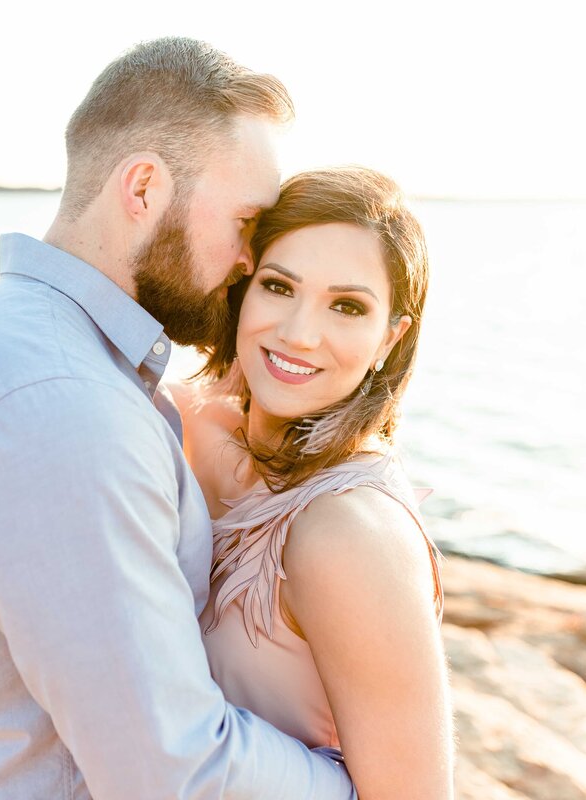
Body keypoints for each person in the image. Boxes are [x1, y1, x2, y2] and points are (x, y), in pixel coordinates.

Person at [0, 38, 357, 799]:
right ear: (144, 189)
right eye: (246, 222)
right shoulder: (64, 405)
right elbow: (169, 770)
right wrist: (354, 786)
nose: (247, 263)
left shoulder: (17, 332)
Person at [173, 167, 454, 798]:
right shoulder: (190, 423)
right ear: (241, 288)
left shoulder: (348, 532)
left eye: (347, 306)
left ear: (390, 339)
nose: (299, 333)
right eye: (278, 286)